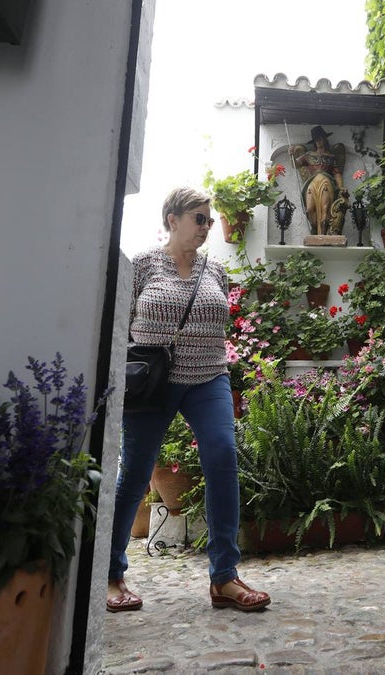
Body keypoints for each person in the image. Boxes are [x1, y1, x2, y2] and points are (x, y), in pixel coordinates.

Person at [106, 186, 270, 613]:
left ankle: (225, 578)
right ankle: (110, 573)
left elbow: (220, 324)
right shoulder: (142, 264)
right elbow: (118, 323)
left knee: (222, 457)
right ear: (173, 219)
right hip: (154, 383)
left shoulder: (214, 270)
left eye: (209, 219)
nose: (206, 226)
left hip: (208, 377)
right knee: (138, 471)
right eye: (199, 218)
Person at [290, 126, 349, 235]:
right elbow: (295, 165)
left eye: (320, 138)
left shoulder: (331, 157)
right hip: (312, 184)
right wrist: (291, 155)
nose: (318, 141)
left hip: (326, 182)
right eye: (316, 139)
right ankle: (315, 232)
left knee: (325, 209)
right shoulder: (308, 156)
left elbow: (337, 173)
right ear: (314, 141)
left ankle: (323, 235)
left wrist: (341, 188)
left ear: (324, 139)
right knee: (309, 210)